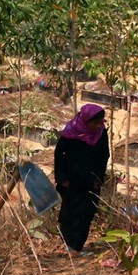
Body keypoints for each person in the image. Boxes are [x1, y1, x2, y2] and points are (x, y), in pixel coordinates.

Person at [54, 104, 110, 256]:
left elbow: (104, 155)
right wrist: (61, 177)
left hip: (90, 181)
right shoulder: (71, 131)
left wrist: (99, 178)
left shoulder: (100, 133)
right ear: (86, 120)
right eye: (95, 123)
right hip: (71, 181)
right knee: (70, 212)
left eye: (100, 122)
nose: (98, 126)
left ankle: (77, 247)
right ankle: (70, 245)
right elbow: (59, 154)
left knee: (86, 214)